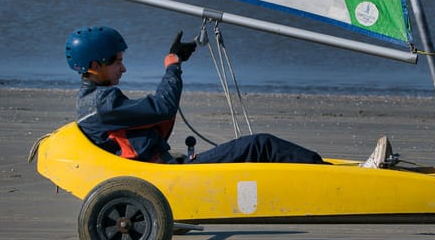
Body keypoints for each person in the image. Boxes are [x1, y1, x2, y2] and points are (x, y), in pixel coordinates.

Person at [65, 26, 392, 167]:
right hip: (169, 175)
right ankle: (349, 176)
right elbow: (162, 105)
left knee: (261, 150)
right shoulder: (102, 104)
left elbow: (152, 113)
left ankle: (333, 170)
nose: (124, 68)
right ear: (96, 66)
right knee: (259, 144)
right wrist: (172, 65)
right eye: (118, 61)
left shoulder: (94, 100)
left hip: (168, 166)